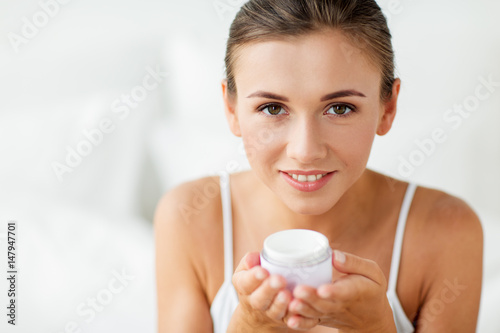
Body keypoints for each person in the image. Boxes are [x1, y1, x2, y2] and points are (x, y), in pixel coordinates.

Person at [154, 0, 483, 332]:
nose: (305, 151)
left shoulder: (447, 229)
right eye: (271, 108)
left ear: (388, 107)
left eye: (339, 108)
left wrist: (375, 327)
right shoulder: (190, 217)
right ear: (231, 109)